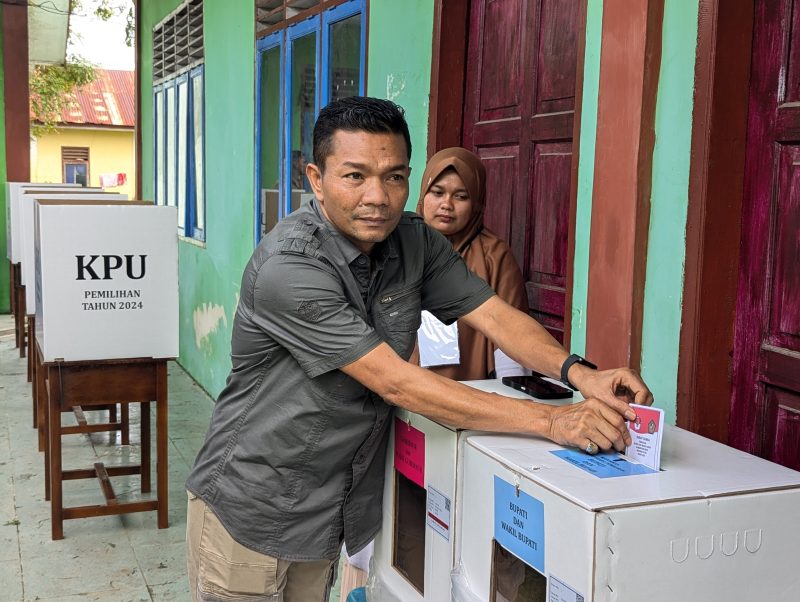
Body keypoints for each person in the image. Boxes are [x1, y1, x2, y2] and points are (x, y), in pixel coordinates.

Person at [185, 96, 653, 602]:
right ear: (316, 179)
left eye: (393, 177)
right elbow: (396, 382)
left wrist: (581, 374)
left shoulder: (415, 242)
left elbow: (493, 315)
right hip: (251, 509)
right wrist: (554, 422)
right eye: (355, 176)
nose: (378, 197)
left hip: (325, 512)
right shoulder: (290, 266)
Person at [416, 146, 529, 380]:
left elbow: (512, 334)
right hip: (402, 384)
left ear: (476, 203)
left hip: (470, 387)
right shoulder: (399, 246)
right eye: (437, 192)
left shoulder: (493, 255)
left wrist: (511, 390)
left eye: (461, 196)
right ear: (423, 194)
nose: (446, 204)